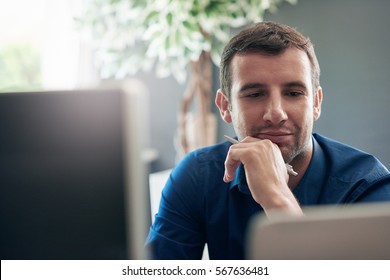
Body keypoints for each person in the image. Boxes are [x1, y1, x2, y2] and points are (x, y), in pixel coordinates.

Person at [145, 21, 390, 259]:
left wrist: (276, 197)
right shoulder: (197, 174)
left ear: (316, 103)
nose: (276, 114)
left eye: (294, 93)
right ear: (225, 106)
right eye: (254, 94)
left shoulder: (367, 187)